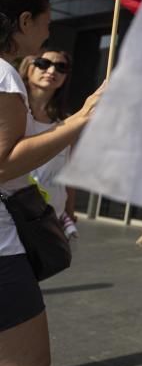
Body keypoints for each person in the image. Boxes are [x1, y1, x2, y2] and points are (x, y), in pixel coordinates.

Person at [0, 0, 102, 366]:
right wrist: (80, 121)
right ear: (22, 21)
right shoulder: (3, 76)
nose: (47, 34)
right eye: (44, 23)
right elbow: (1, 165)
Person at [18, 51, 78, 249]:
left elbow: (69, 173)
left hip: (50, 219)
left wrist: (69, 211)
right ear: (29, 68)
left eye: (61, 67)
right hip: (13, 216)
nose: (52, 70)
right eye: (44, 63)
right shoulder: (13, 113)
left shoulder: (66, 122)